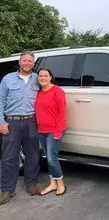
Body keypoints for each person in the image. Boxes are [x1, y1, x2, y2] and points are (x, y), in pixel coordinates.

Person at [0, 51, 41, 205]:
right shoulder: (7, 79)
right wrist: (1, 122)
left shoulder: (38, 79)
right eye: (24, 60)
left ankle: (31, 184)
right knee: (9, 157)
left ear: (33, 63)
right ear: (19, 62)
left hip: (31, 121)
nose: (27, 63)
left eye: (30, 61)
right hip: (11, 122)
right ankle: (7, 190)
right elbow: (0, 101)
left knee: (32, 155)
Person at [35, 68, 67, 196]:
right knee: (48, 158)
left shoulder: (57, 91)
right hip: (41, 130)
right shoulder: (39, 92)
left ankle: (60, 184)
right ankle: (52, 183)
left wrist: (58, 131)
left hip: (54, 130)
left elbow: (62, 112)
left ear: (50, 77)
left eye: (46, 76)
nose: (43, 78)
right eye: (40, 76)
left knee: (52, 159)